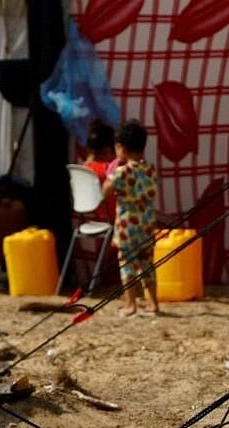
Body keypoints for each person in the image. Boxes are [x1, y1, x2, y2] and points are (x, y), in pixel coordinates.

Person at [103, 118, 160, 316]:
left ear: (121, 148)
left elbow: (106, 192)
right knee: (147, 263)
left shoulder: (122, 172)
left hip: (127, 225)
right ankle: (153, 303)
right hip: (146, 224)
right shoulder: (150, 169)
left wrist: (111, 174)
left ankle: (131, 305)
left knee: (127, 264)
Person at [83, 120, 117, 224]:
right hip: (112, 216)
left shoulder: (82, 169)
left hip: (90, 217)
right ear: (107, 150)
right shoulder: (108, 170)